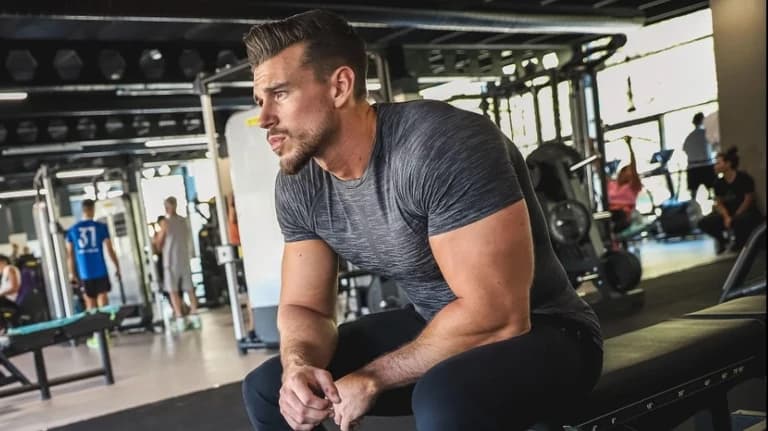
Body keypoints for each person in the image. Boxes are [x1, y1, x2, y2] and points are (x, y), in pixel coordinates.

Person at [240, 10, 602, 431]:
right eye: (260, 100)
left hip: (546, 331)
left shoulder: (441, 144)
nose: (264, 118)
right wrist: (298, 367)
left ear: (339, 86)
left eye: (280, 94)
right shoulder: (300, 183)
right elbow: (305, 307)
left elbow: (500, 315)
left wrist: (373, 377)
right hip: (434, 323)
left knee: (444, 397)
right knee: (268, 390)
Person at [66, 199, 121, 347]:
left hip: (85, 273)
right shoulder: (101, 227)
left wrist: (72, 274)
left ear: (82, 210)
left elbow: (70, 255)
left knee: (91, 304)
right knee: (103, 301)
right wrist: (117, 266)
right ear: (92, 209)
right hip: (100, 269)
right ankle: (105, 333)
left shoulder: (73, 230)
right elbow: (110, 249)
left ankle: (98, 336)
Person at [698, 148, 763, 254]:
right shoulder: (718, 183)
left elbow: (748, 199)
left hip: (745, 213)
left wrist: (735, 215)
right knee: (704, 222)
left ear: (728, 164)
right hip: (729, 213)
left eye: (718, 163)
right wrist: (726, 217)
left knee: (740, 221)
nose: (715, 166)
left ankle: (740, 243)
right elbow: (719, 202)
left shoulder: (743, 178)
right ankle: (722, 241)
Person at [153, 196, 201, 332]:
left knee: (172, 290)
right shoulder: (183, 221)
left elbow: (158, 244)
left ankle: (180, 317)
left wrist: (157, 240)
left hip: (170, 262)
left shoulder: (165, 223)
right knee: (189, 288)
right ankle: (194, 314)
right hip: (184, 259)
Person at [607, 137, 643, 233]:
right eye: (628, 171)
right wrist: (592, 149)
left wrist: (630, 146)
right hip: (609, 213)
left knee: (617, 216)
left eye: (631, 171)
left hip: (623, 216)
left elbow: (634, 169)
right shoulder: (611, 184)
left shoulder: (633, 186)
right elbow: (599, 169)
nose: (630, 174)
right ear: (622, 172)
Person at [682, 112, 716, 201]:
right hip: (707, 166)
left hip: (693, 168)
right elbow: (714, 148)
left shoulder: (689, 137)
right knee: (713, 191)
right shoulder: (707, 134)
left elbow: (685, 150)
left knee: (693, 194)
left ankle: (694, 206)